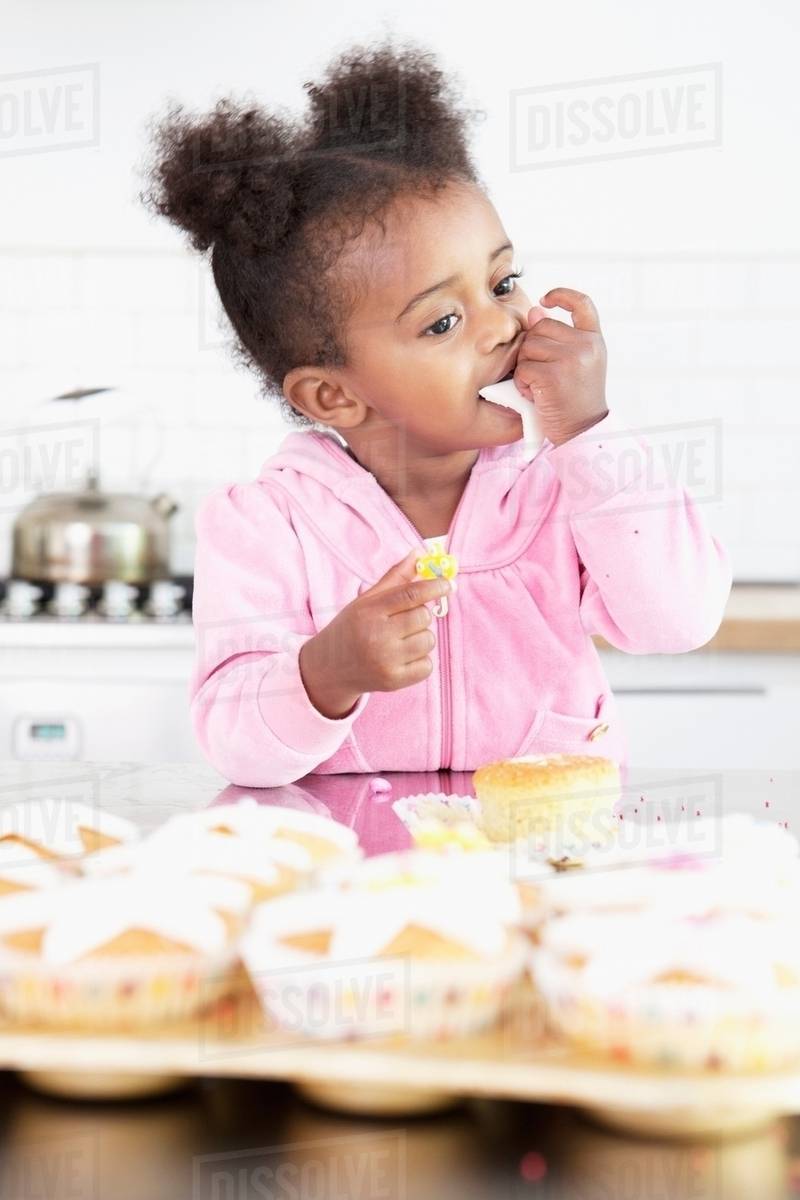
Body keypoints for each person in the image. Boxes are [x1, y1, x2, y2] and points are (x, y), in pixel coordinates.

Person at [142, 37, 732, 787]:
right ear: (334, 396)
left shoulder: (562, 488)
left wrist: (589, 433)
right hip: (355, 878)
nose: (503, 324)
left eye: (502, 281)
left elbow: (678, 620)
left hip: (541, 862)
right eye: (442, 323)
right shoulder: (267, 525)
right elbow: (235, 745)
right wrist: (326, 673)